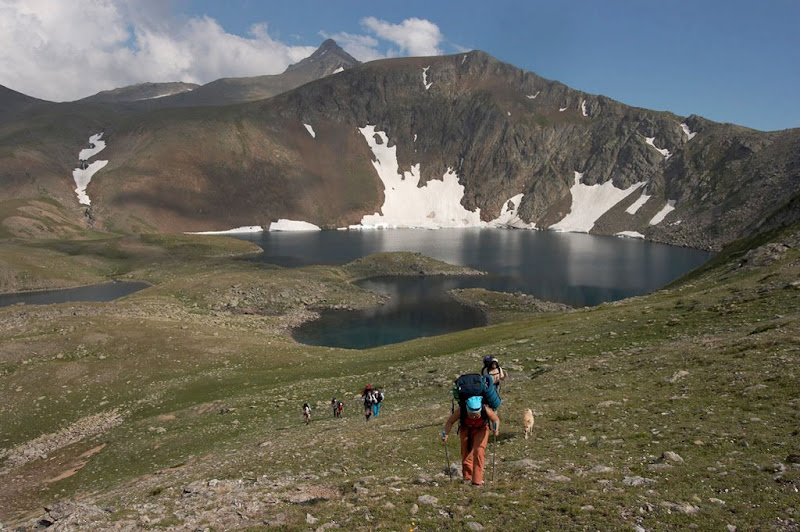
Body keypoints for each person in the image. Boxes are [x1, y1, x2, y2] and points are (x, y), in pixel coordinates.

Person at [442, 395, 499, 486]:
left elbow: (495, 419)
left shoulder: (485, 410)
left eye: (476, 416)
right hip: (466, 429)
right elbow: (450, 421)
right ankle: (467, 477)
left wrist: (496, 429)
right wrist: (446, 433)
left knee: (479, 451)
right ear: (467, 410)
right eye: (471, 415)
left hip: (481, 429)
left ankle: (477, 480)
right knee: (465, 452)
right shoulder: (462, 410)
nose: (474, 417)